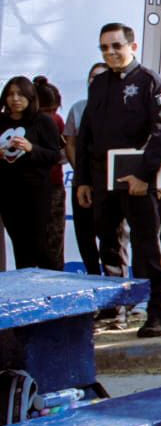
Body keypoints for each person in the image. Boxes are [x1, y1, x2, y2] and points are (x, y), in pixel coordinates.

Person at [74, 22, 161, 338]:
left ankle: (157, 315)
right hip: (101, 181)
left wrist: (144, 175)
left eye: (116, 46)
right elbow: (86, 134)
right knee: (109, 247)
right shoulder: (99, 83)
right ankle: (114, 311)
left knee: (148, 248)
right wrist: (83, 180)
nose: (111, 52)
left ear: (132, 46)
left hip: (137, 182)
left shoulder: (150, 81)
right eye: (105, 48)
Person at [0, 76, 64, 269]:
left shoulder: (43, 121)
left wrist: (31, 148)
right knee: (19, 244)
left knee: (39, 244)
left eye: (20, 94)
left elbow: (54, 155)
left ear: (30, 96)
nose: (15, 99)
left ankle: (53, 280)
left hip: (35, 191)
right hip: (7, 191)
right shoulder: (1, 121)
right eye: (10, 94)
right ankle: (24, 282)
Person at [63, 62, 110, 276]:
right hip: (82, 180)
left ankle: (112, 280)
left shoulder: (119, 109)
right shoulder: (78, 108)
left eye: (101, 76)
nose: (95, 81)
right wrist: (81, 172)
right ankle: (92, 275)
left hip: (108, 182)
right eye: (92, 77)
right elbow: (70, 144)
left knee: (109, 233)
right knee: (84, 233)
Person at [31, 76, 66, 270]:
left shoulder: (57, 121)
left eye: (54, 110)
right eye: (45, 111)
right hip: (28, 187)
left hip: (54, 185)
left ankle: (56, 276)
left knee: (54, 239)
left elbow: (63, 153)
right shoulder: (25, 124)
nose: (50, 115)